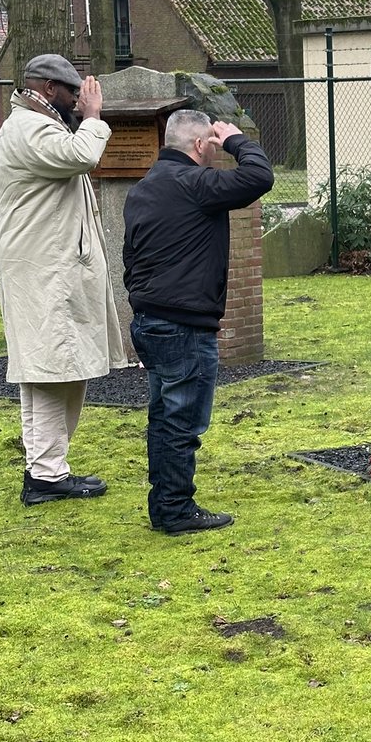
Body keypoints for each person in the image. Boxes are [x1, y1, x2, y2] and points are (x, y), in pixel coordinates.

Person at [123, 109, 274, 536]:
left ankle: (166, 503)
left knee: (164, 416)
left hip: (151, 319)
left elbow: (130, 258)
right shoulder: (194, 184)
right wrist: (236, 140)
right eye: (211, 142)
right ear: (199, 145)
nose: (215, 149)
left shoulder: (145, 188)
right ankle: (174, 509)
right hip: (183, 326)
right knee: (182, 420)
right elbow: (259, 178)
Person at [0, 53, 127, 506]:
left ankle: (44, 470)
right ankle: (47, 476)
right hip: (44, 270)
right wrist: (94, 118)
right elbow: (81, 155)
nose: (77, 100)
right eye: (72, 93)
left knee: (52, 367)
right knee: (53, 367)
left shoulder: (34, 123)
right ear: (49, 89)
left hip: (48, 266)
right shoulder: (32, 128)